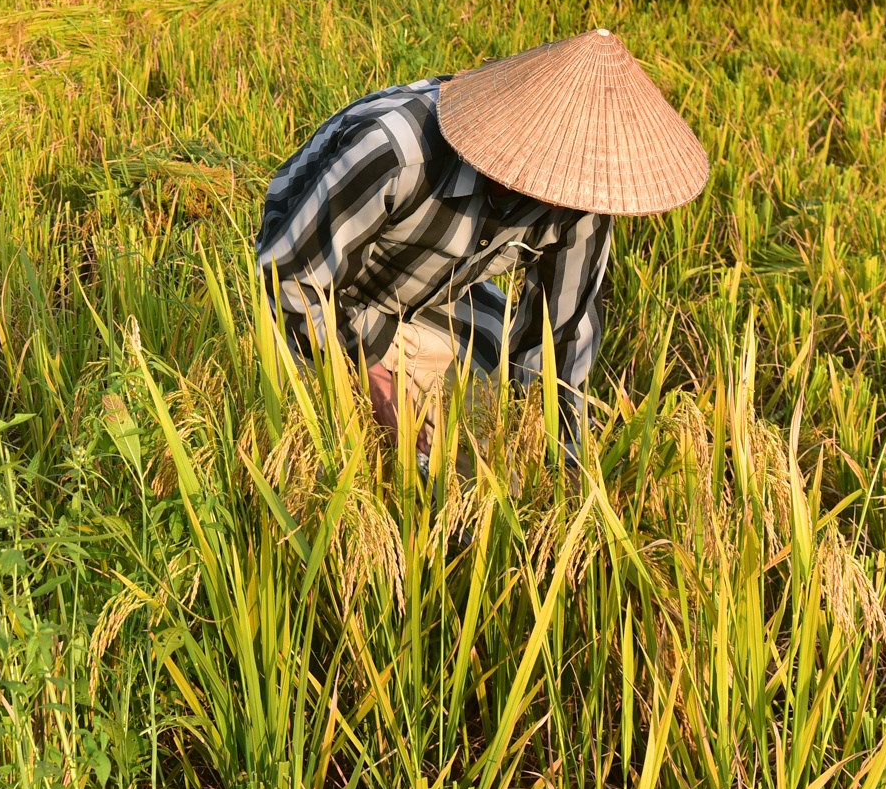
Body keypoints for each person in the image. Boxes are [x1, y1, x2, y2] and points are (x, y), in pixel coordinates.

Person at [255, 29, 708, 466]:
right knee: (344, 451)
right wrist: (371, 380)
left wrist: (561, 473)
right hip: (322, 303)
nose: (562, 202)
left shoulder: (584, 200)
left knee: (488, 467)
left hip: (437, 305)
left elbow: (559, 344)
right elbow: (288, 278)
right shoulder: (396, 152)